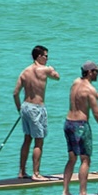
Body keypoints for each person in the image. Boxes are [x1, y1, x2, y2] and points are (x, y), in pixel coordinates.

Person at [62, 61, 98, 195]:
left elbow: (90, 96)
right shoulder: (89, 89)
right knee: (85, 160)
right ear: (89, 72)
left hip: (68, 123)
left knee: (72, 159)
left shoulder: (75, 82)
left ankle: (65, 192)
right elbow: (96, 113)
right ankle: (83, 194)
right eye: (96, 71)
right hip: (80, 126)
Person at [14, 46, 60, 179]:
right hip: (36, 108)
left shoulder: (24, 72)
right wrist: (52, 69)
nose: (47, 58)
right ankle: (36, 173)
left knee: (27, 139)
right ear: (39, 56)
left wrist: (19, 109)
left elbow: (15, 93)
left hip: (25, 107)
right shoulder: (45, 70)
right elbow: (57, 77)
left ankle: (22, 171)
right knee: (38, 141)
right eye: (45, 56)